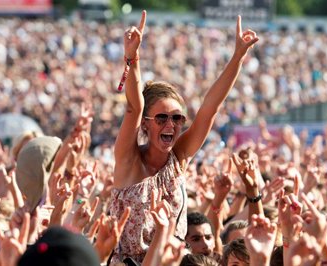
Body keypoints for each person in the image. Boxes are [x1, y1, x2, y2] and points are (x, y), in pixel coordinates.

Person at [110, 10, 259, 263]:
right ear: (145, 124)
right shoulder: (129, 160)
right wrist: (133, 59)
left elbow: (210, 108)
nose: (171, 124)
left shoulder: (178, 159)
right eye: (162, 118)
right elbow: (134, 107)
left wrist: (238, 57)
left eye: (177, 118)